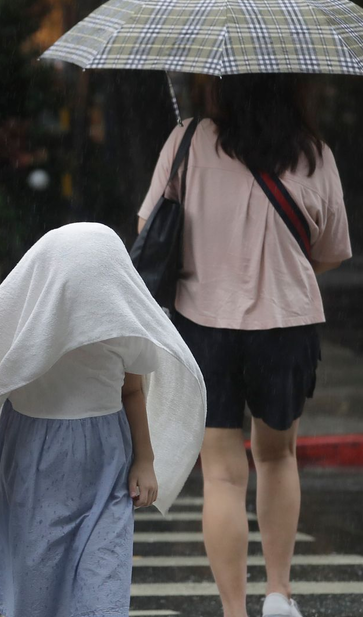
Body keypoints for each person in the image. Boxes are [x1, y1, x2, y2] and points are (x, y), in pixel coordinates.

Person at [138, 74, 352, 617]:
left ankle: (235, 610)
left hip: (204, 326)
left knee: (223, 475)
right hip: (286, 325)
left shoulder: (187, 140)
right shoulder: (313, 154)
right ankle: (279, 595)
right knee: (278, 459)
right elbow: (330, 251)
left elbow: (147, 229)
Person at [0, 223, 206, 617]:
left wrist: (145, 459)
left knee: (103, 594)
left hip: (105, 471)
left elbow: (132, 391)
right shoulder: (27, 328)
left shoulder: (124, 328)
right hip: (30, 471)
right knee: (34, 596)